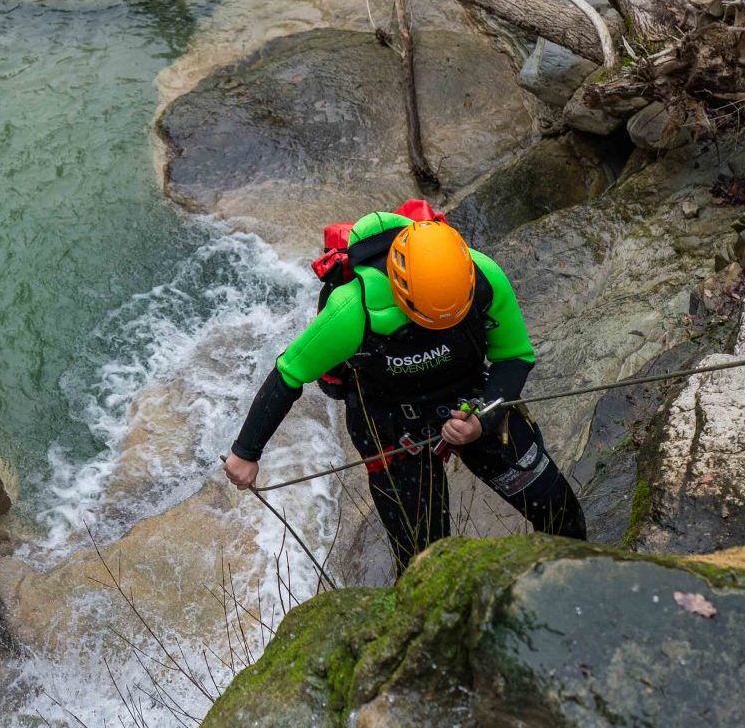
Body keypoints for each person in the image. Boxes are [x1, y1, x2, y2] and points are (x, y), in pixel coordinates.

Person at [222, 209, 586, 570]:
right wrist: (246, 452)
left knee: (559, 513)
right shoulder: (351, 310)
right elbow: (289, 373)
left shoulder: (484, 275)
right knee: (425, 562)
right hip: (391, 423)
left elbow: (514, 356)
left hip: (471, 398)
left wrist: (484, 420)